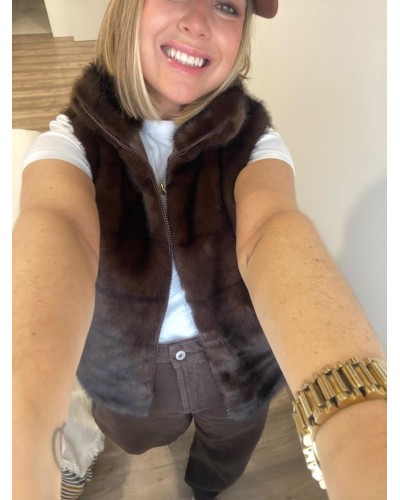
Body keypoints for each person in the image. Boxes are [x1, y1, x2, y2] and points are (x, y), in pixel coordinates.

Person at [12, 0, 387, 499]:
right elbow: (61, 231)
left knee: (226, 452)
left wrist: (361, 426)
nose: (198, 21)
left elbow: (271, 229)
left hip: (239, 360)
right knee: (134, 435)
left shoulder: (255, 141)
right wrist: (23, 442)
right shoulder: (69, 145)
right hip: (130, 369)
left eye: (227, 5)